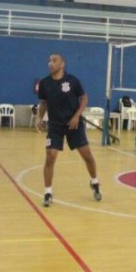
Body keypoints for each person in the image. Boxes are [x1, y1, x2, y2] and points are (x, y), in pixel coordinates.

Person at [35, 54, 102, 207]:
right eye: (49, 61)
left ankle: (95, 182)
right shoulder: (44, 83)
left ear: (62, 64)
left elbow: (84, 99)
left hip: (74, 124)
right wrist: (40, 118)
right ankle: (48, 192)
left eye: (54, 61)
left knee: (87, 156)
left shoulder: (72, 81)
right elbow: (43, 103)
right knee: (50, 157)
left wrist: (77, 116)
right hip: (55, 126)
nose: (50, 63)